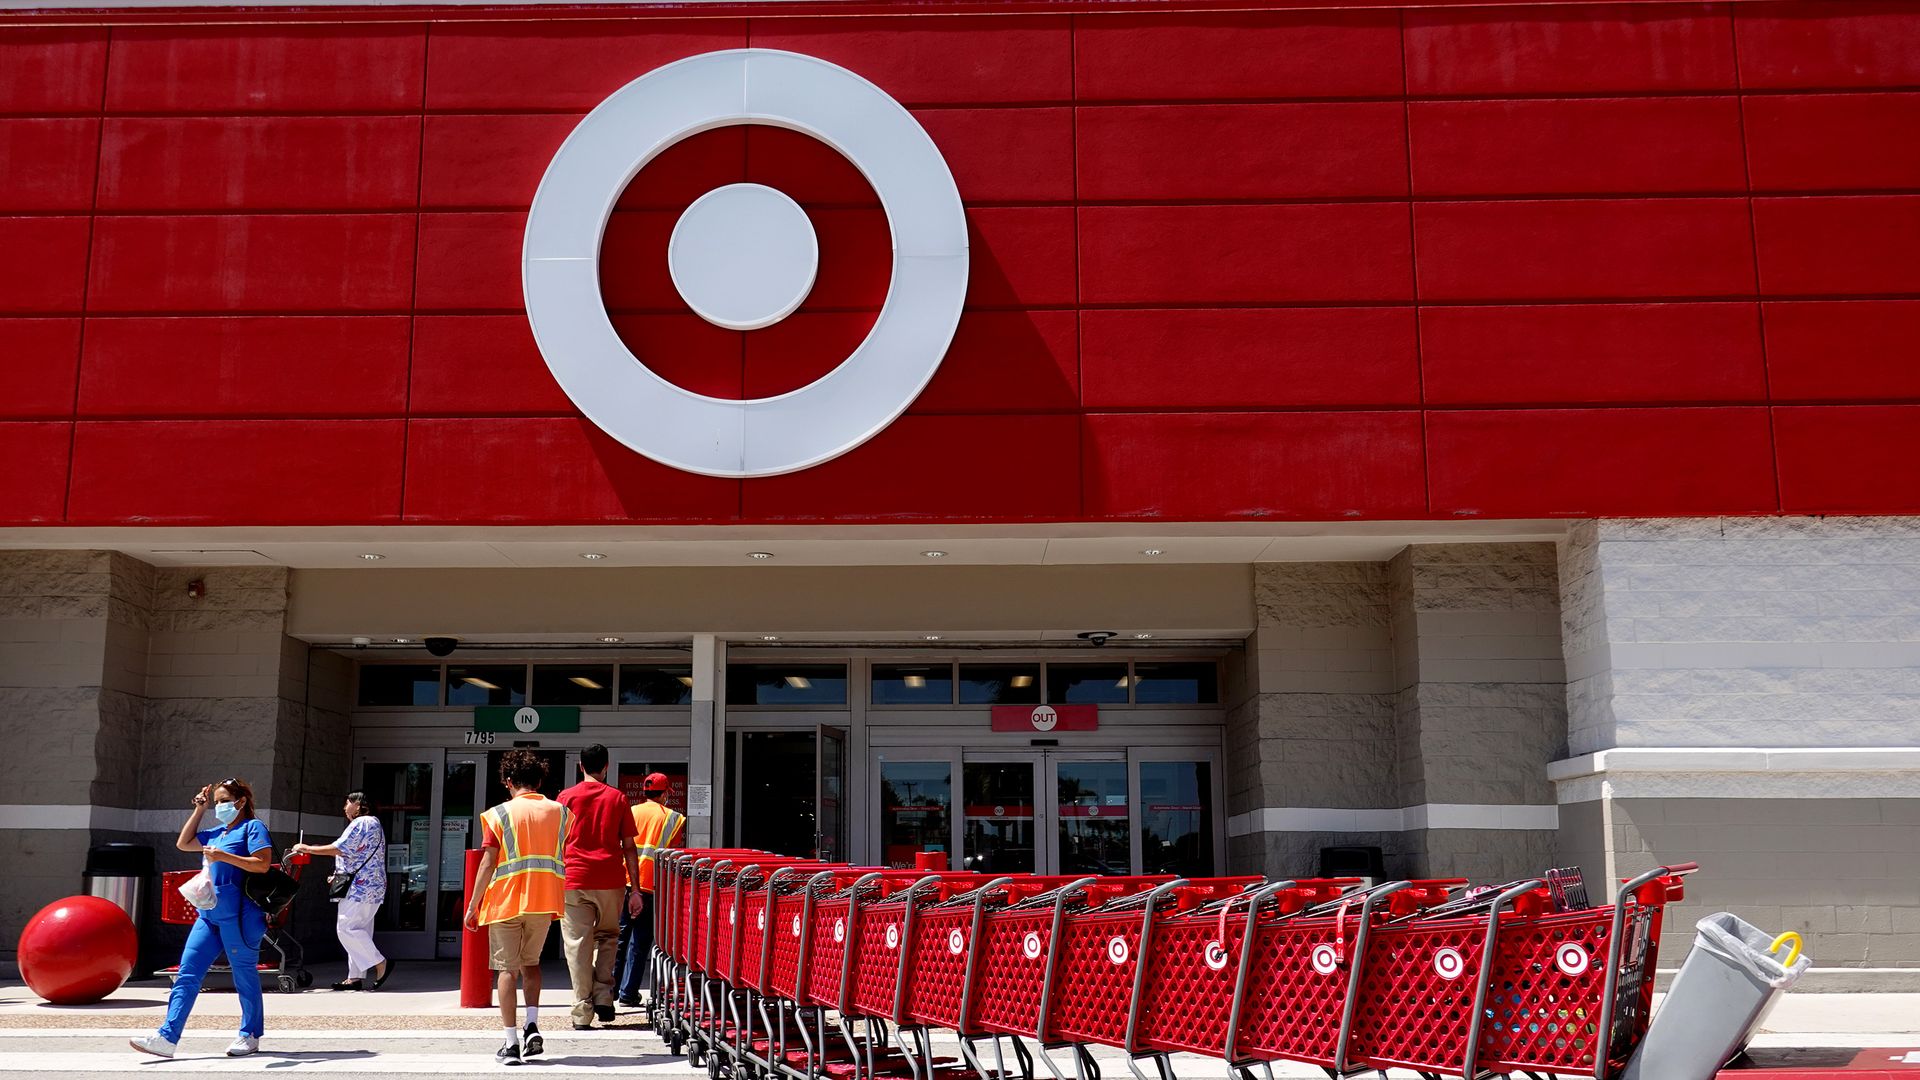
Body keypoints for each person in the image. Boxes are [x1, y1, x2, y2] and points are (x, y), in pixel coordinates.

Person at [131, 778, 274, 1059]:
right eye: (217, 801)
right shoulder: (217, 832)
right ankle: (167, 1038)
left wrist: (224, 857)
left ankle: (250, 1034)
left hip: (241, 916)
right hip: (209, 916)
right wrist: (199, 809)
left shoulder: (252, 828)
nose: (219, 806)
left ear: (240, 802)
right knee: (187, 973)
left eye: (223, 801)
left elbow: (263, 864)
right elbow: (184, 843)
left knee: (244, 974)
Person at [465, 750, 570, 1066]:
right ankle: (533, 1024)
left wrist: (473, 905)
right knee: (532, 964)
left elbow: (487, 862)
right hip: (544, 900)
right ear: (539, 781)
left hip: (507, 901)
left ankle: (511, 1043)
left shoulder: (499, 814)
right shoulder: (561, 812)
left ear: (508, 781)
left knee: (507, 970)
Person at [556, 745, 642, 1029]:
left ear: (580, 766)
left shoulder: (565, 798)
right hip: (610, 881)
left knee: (578, 945)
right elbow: (629, 848)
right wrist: (636, 889)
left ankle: (582, 1010)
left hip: (574, 880)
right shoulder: (617, 798)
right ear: (606, 766)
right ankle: (604, 996)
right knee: (608, 937)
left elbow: (556, 845)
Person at [291, 791, 393, 991]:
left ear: (358, 804)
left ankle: (380, 963)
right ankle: (354, 977)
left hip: (360, 887)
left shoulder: (360, 823)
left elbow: (340, 848)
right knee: (360, 930)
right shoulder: (374, 824)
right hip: (371, 886)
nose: (344, 808)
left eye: (347, 803)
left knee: (347, 929)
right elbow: (356, 854)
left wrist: (308, 848)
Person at [615, 772, 684, 1007]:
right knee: (640, 941)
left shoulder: (630, 812)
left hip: (623, 881)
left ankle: (609, 992)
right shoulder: (672, 818)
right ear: (664, 794)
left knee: (619, 938)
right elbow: (674, 854)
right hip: (651, 885)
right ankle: (628, 993)